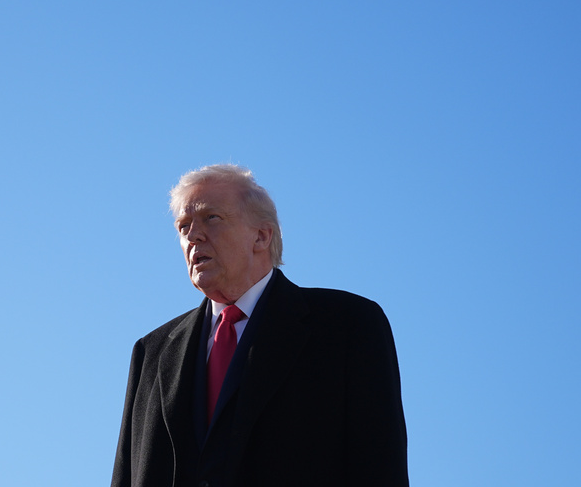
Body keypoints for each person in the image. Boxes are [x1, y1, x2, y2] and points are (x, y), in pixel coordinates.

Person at [111, 165, 408, 487]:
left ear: (262, 236)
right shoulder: (151, 351)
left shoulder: (348, 324)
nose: (193, 235)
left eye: (211, 217)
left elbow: (380, 465)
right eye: (184, 226)